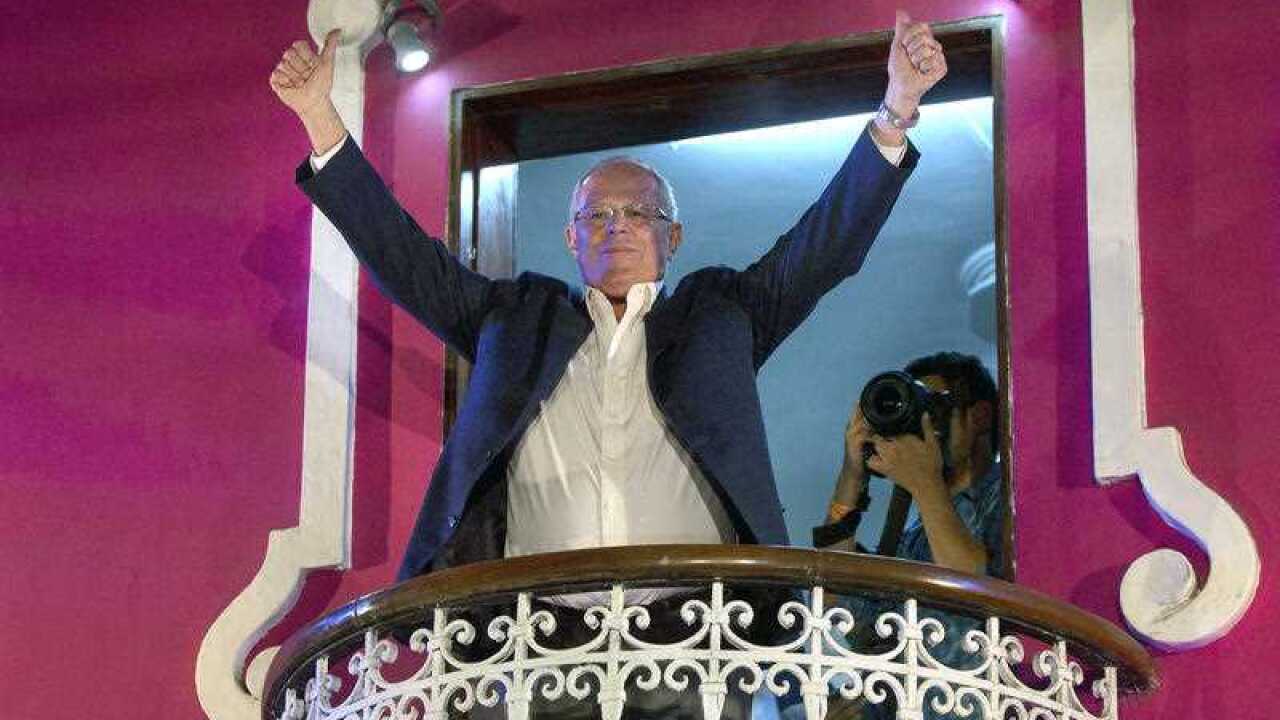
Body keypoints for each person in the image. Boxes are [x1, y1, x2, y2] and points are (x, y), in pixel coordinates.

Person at [271, 11, 946, 719]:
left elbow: (822, 250)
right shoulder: (516, 318)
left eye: (638, 214)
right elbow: (404, 260)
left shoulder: (721, 315)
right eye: (596, 215)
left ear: (673, 235)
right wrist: (321, 117)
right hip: (534, 639)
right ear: (570, 237)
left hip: (696, 637)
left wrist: (897, 110)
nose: (616, 226)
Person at [817, 352, 1004, 720]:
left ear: (980, 416)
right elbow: (836, 598)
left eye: (932, 408)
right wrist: (852, 475)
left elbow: (978, 590)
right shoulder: (912, 538)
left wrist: (922, 480)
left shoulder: (1008, 495)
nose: (919, 426)